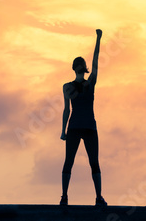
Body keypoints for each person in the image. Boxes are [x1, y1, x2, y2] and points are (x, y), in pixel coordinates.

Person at [60, 29, 107, 206]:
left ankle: (64, 197)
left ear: (73, 68)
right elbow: (96, 60)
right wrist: (98, 38)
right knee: (94, 163)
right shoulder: (91, 83)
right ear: (85, 68)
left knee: (68, 162)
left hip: (74, 127)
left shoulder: (67, 87)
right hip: (89, 127)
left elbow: (66, 111)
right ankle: (98, 198)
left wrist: (63, 131)